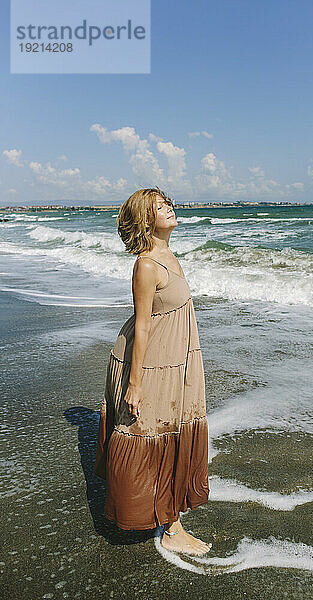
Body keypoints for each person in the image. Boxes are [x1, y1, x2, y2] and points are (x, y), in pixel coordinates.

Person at [94, 187, 212, 556]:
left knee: (172, 434)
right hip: (150, 363)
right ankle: (171, 530)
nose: (170, 208)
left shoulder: (169, 254)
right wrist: (135, 383)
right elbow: (142, 327)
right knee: (152, 435)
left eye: (168, 203)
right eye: (160, 207)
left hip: (175, 359)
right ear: (146, 220)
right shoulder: (146, 265)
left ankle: (170, 519)